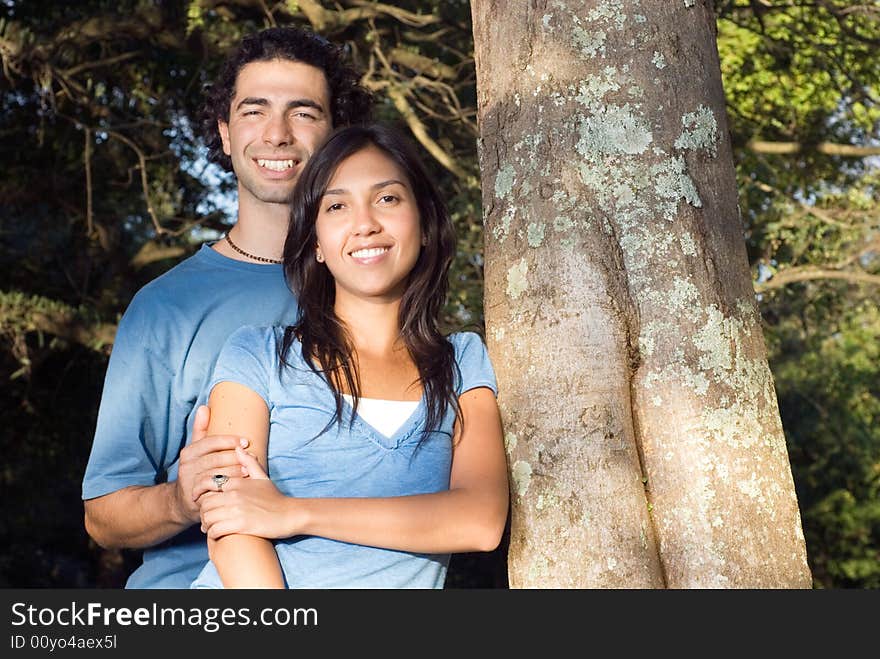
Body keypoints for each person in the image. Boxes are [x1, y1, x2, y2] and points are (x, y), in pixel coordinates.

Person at [81, 27, 372, 588]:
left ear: (339, 133)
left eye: (304, 113)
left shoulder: (380, 287)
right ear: (225, 131)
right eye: (255, 110)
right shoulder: (165, 308)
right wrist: (180, 500)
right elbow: (103, 515)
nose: (278, 135)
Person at [188, 124, 509, 588]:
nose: (365, 224)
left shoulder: (462, 364)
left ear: (424, 226)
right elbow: (229, 516)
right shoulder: (256, 354)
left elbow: (479, 521)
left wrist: (293, 512)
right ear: (315, 242)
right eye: (337, 205)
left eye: (388, 199)